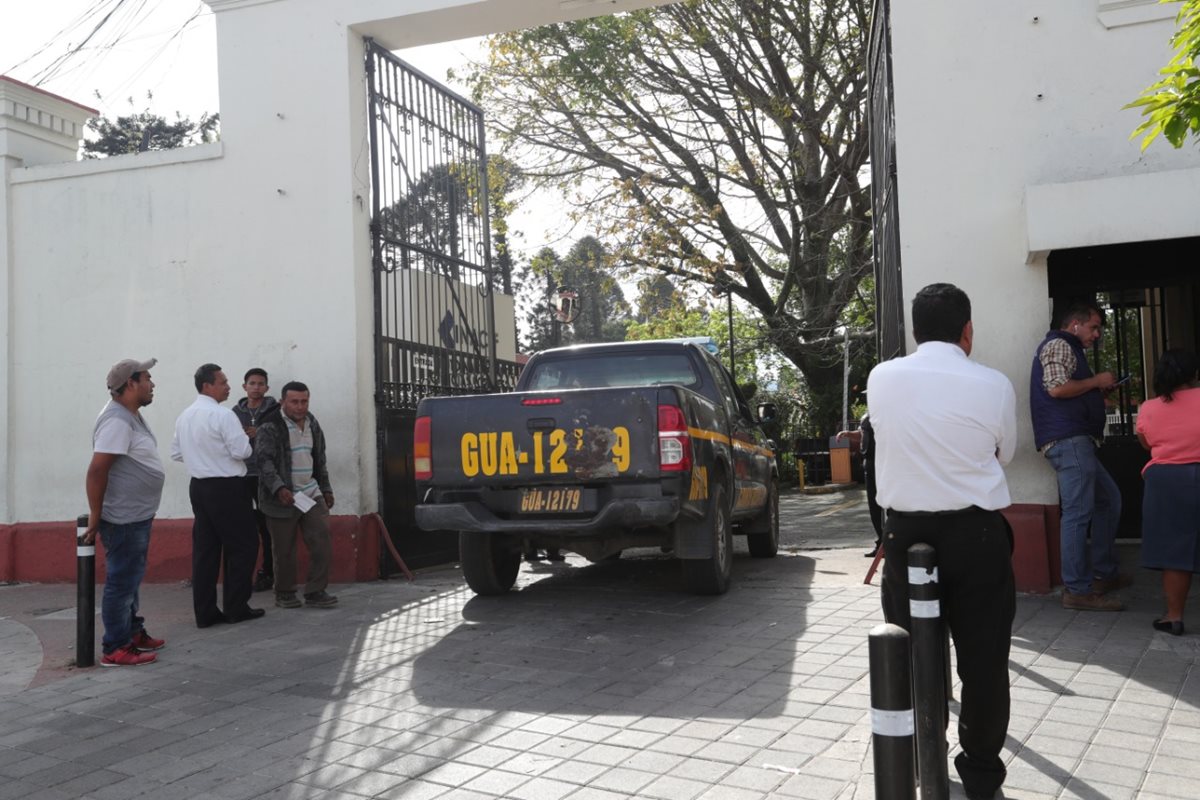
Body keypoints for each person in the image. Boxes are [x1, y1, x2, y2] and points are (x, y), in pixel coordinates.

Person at [868, 283, 1017, 800]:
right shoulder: (993, 384)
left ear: (914, 330)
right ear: (967, 331)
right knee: (984, 660)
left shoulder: (881, 377)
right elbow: (1005, 453)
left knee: (907, 654)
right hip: (976, 535)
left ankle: (911, 758)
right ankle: (979, 775)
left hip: (905, 533)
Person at [1029, 300, 1127, 611]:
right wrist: (1096, 381)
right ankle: (1078, 590)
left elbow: (1065, 388)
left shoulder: (1067, 348)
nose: (1097, 333)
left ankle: (1103, 573)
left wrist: (1093, 392)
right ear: (1075, 324)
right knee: (1078, 513)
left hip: (1075, 440)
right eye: (1094, 326)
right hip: (1070, 441)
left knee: (1107, 500)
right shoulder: (1059, 344)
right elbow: (1056, 388)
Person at [84, 358, 167, 667]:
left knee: (131, 579)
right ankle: (115, 647)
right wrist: (95, 514)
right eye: (147, 377)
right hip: (123, 518)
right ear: (130, 383)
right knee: (122, 581)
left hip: (136, 515)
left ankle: (132, 632)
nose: (152, 383)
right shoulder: (117, 421)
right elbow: (97, 470)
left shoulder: (130, 415)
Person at [171, 363, 264, 627]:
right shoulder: (223, 415)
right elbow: (242, 452)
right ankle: (236, 607)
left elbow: (176, 453)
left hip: (199, 487)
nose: (228, 386)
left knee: (205, 551)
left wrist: (202, 456)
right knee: (243, 546)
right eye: (223, 382)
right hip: (227, 487)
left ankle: (206, 612)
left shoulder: (185, 415)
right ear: (207, 386)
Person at [254, 381, 338, 609]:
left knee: (321, 540)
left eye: (304, 401)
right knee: (284, 549)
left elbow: (319, 458)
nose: (300, 406)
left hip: (310, 492)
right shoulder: (270, 426)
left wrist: (326, 488)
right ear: (283, 402)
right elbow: (264, 461)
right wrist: (279, 488)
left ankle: (315, 591)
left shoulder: (313, 423)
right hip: (281, 497)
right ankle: (284, 593)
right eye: (295, 402)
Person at [1135, 348, 1200, 636]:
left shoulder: (1149, 408)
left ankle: (1174, 617)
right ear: (1194, 374)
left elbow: (1146, 444)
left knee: (1176, 551)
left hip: (1166, 481)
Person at [232, 368, 279, 592]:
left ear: (266, 388)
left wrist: (259, 431)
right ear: (245, 387)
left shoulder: (275, 410)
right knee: (244, 527)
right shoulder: (233, 413)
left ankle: (269, 571)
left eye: (261, 383)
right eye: (252, 383)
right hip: (242, 475)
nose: (256, 387)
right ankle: (244, 574)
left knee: (267, 526)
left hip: (267, 476)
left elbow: (281, 434)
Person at [836, 411, 884, 557]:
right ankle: (881, 543)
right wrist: (848, 434)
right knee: (874, 505)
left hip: (883, 462)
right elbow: (863, 434)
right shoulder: (867, 415)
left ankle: (890, 543)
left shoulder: (885, 411)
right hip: (869, 463)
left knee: (886, 506)